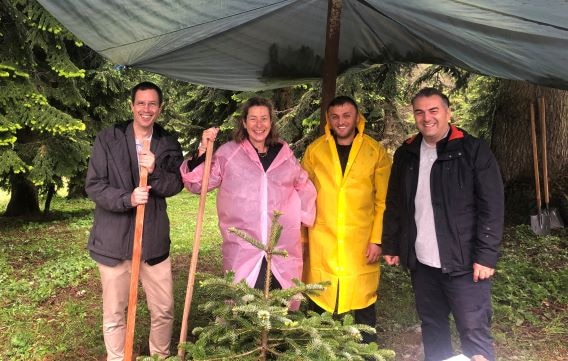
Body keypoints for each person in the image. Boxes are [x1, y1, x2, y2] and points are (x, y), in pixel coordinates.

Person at [382, 87, 504, 361]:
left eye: (434, 110)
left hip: (464, 264)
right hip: (423, 264)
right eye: (420, 112)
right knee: (433, 328)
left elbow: (492, 208)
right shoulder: (407, 153)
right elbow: (395, 202)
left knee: (474, 332)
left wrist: (486, 256)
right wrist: (391, 242)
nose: (427, 118)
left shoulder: (473, 151)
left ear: (448, 113)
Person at [85, 81, 184, 360]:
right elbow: (94, 186)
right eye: (141, 103)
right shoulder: (108, 139)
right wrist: (128, 198)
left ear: (160, 108)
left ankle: (160, 356)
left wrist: (153, 171)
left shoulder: (167, 143)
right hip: (114, 242)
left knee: (164, 310)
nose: (146, 109)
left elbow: (176, 184)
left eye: (152, 104)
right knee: (115, 312)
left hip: (153, 243)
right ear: (132, 106)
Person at [180, 96, 316, 292]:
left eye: (264, 118)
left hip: (280, 244)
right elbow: (198, 184)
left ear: (271, 121)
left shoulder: (284, 154)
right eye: (253, 118)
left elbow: (303, 184)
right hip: (243, 245)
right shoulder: (229, 153)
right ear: (244, 122)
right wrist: (203, 150)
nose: (259, 124)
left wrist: (301, 218)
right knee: (243, 302)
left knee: (280, 302)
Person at [301, 95, 392, 344]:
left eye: (346, 115)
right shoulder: (315, 151)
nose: (341, 122)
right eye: (335, 117)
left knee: (363, 303)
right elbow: (301, 197)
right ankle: (316, 351)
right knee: (319, 300)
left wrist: (378, 240)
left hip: (361, 243)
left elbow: (384, 201)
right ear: (328, 120)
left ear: (357, 117)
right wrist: (302, 239)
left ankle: (368, 351)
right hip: (323, 240)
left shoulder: (375, 152)